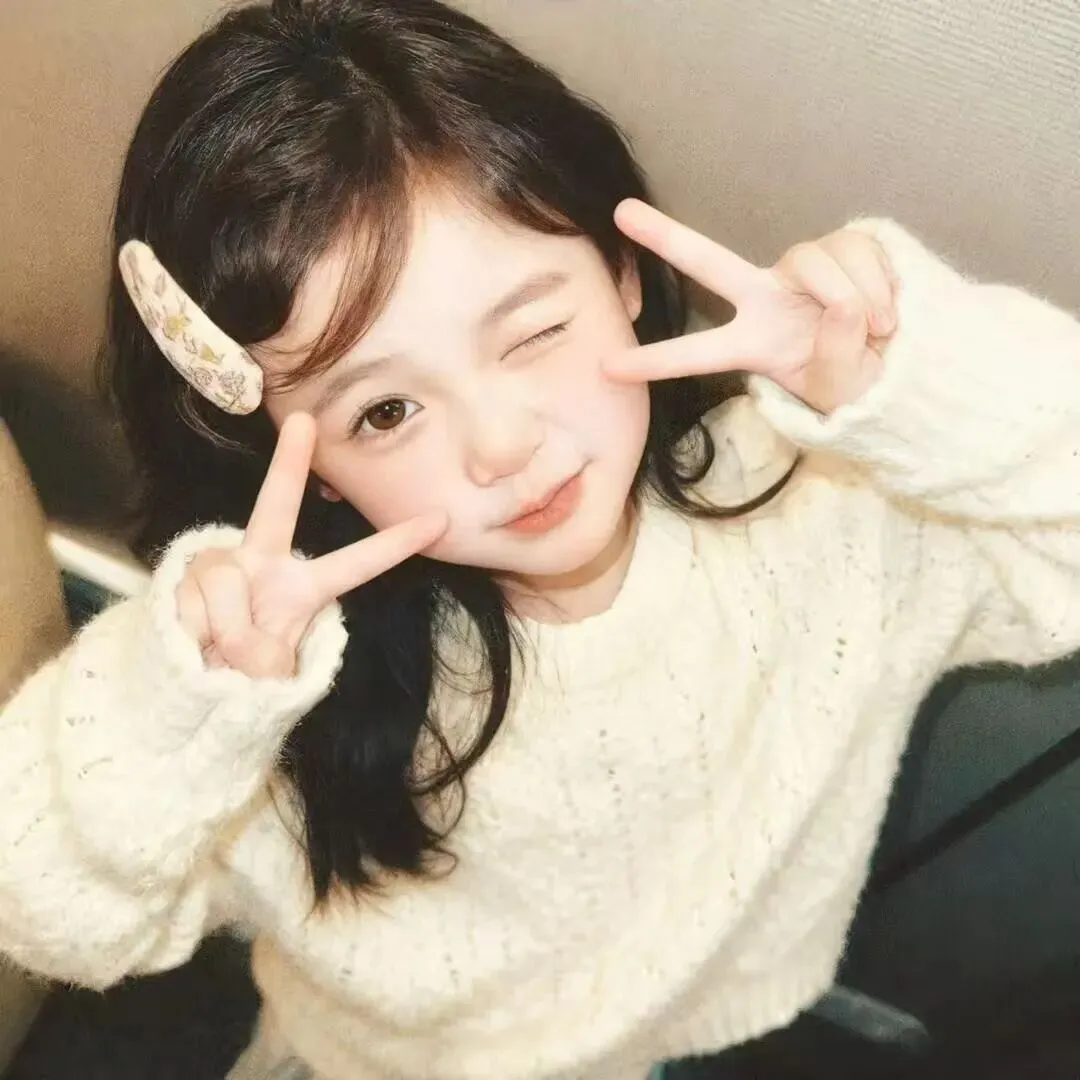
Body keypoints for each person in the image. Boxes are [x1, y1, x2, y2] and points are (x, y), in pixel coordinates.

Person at [3, 0, 1080, 1077]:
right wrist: (185, 710)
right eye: (386, 411)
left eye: (532, 333)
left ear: (620, 272)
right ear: (312, 464)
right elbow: (45, 918)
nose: (503, 446)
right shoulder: (277, 681)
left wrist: (919, 385)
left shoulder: (828, 507)